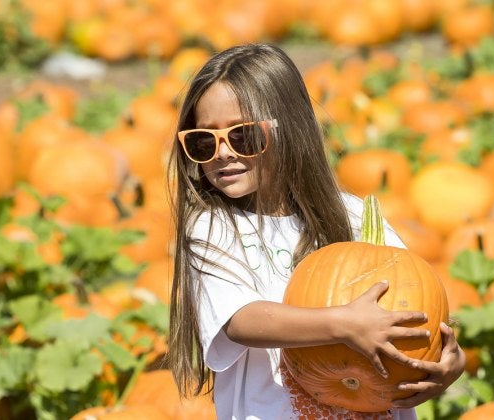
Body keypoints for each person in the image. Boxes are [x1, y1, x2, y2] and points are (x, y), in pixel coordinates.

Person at [166, 43, 465, 419]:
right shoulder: (213, 228)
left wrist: (451, 360)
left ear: (290, 129)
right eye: (203, 140)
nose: (223, 152)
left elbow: (417, 304)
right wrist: (344, 324)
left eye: (242, 136)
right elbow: (241, 320)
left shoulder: (354, 217)